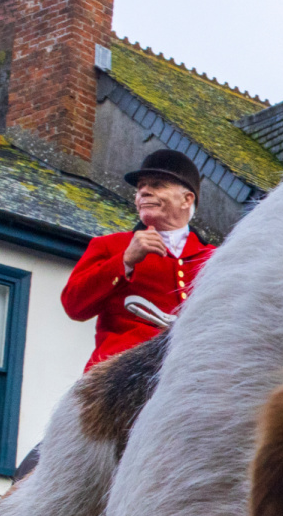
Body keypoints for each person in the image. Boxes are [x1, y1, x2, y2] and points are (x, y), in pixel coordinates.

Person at [60, 150, 214, 371]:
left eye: (157, 185)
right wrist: (125, 260)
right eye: (140, 187)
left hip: (192, 372)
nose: (143, 192)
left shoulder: (215, 258)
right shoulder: (109, 246)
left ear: (186, 199)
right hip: (120, 373)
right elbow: (74, 306)